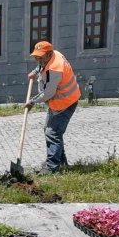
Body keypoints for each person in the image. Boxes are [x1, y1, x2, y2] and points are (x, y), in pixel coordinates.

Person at [25, 41, 80, 175]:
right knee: (51, 131)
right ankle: (60, 161)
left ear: (49, 54)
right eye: (36, 57)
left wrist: (32, 102)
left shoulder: (55, 68)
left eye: (40, 57)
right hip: (60, 102)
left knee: (52, 133)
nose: (38, 59)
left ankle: (51, 168)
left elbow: (49, 93)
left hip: (64, 103)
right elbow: (42, 66)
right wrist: (35, 71)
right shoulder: (54, 55)